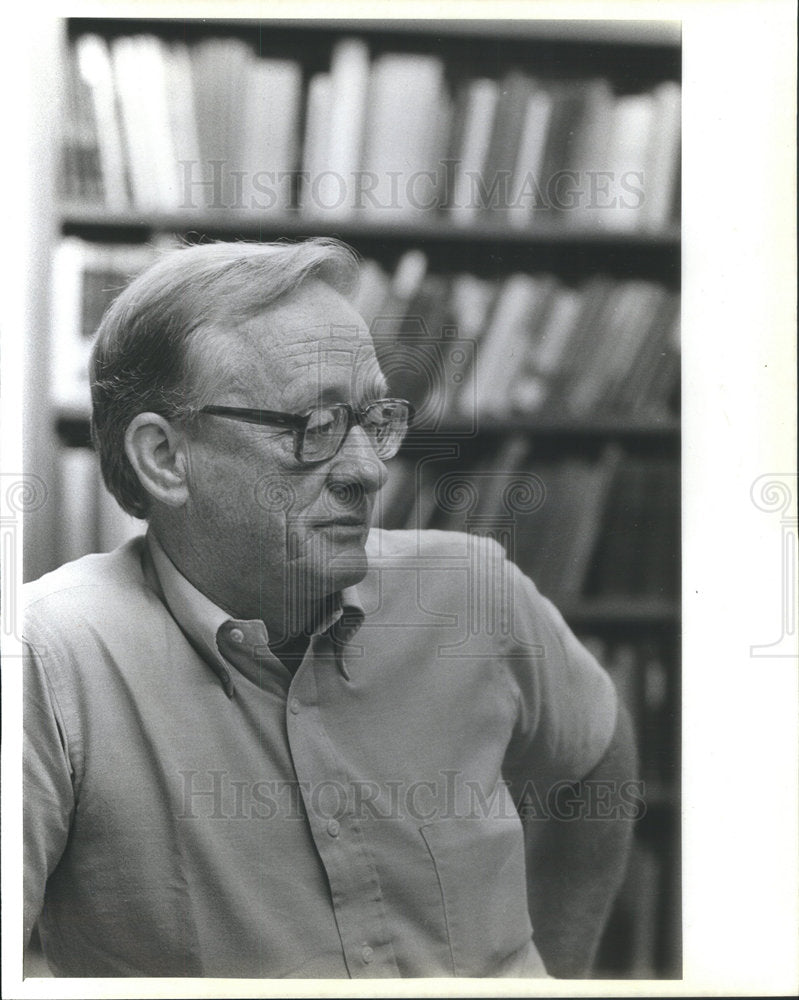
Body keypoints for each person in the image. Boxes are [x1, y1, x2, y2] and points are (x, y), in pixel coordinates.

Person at [24, 238, 636, 980]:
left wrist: (558, 973)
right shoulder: (49, 659)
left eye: (372, 417)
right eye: (311, 428)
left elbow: (599, 755)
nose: (369, 468)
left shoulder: (473, 591)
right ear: (164, 458)